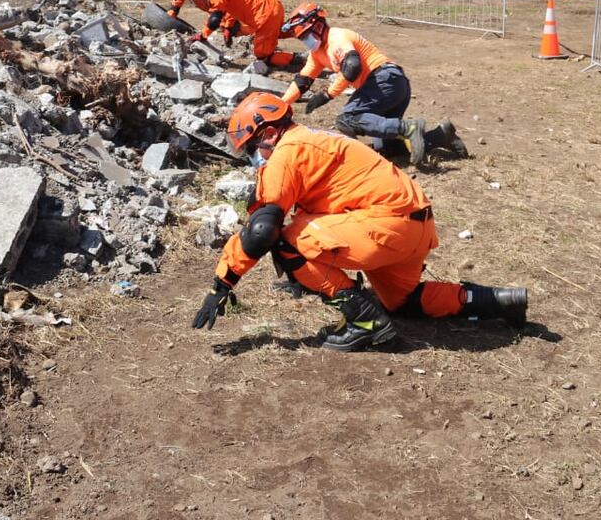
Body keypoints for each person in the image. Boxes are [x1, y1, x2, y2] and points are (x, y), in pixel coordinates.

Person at [189, 93, 528, 352]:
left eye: (252, 146)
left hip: (385, 226)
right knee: (403, 302)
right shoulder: (310, 140)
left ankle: (365, 322)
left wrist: (222, 284)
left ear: (270, 133)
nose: (254, 155)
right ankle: (498, 301)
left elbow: (262, 232)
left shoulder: (285, 154)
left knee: (284, 241)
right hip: (414, 224)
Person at [278, 2, 467, 166]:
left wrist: (328, 94)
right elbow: (302, 81)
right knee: (392, 149)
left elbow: (352, 67)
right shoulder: (317, 54)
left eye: (305, 35)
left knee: (347, 118)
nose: (305, 41)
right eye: (301, 38)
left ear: (317, 26)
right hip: (393, 85)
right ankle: (441, 136)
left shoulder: (337, 37)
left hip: (383, 80)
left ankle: (409, 128)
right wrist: (281, 106)